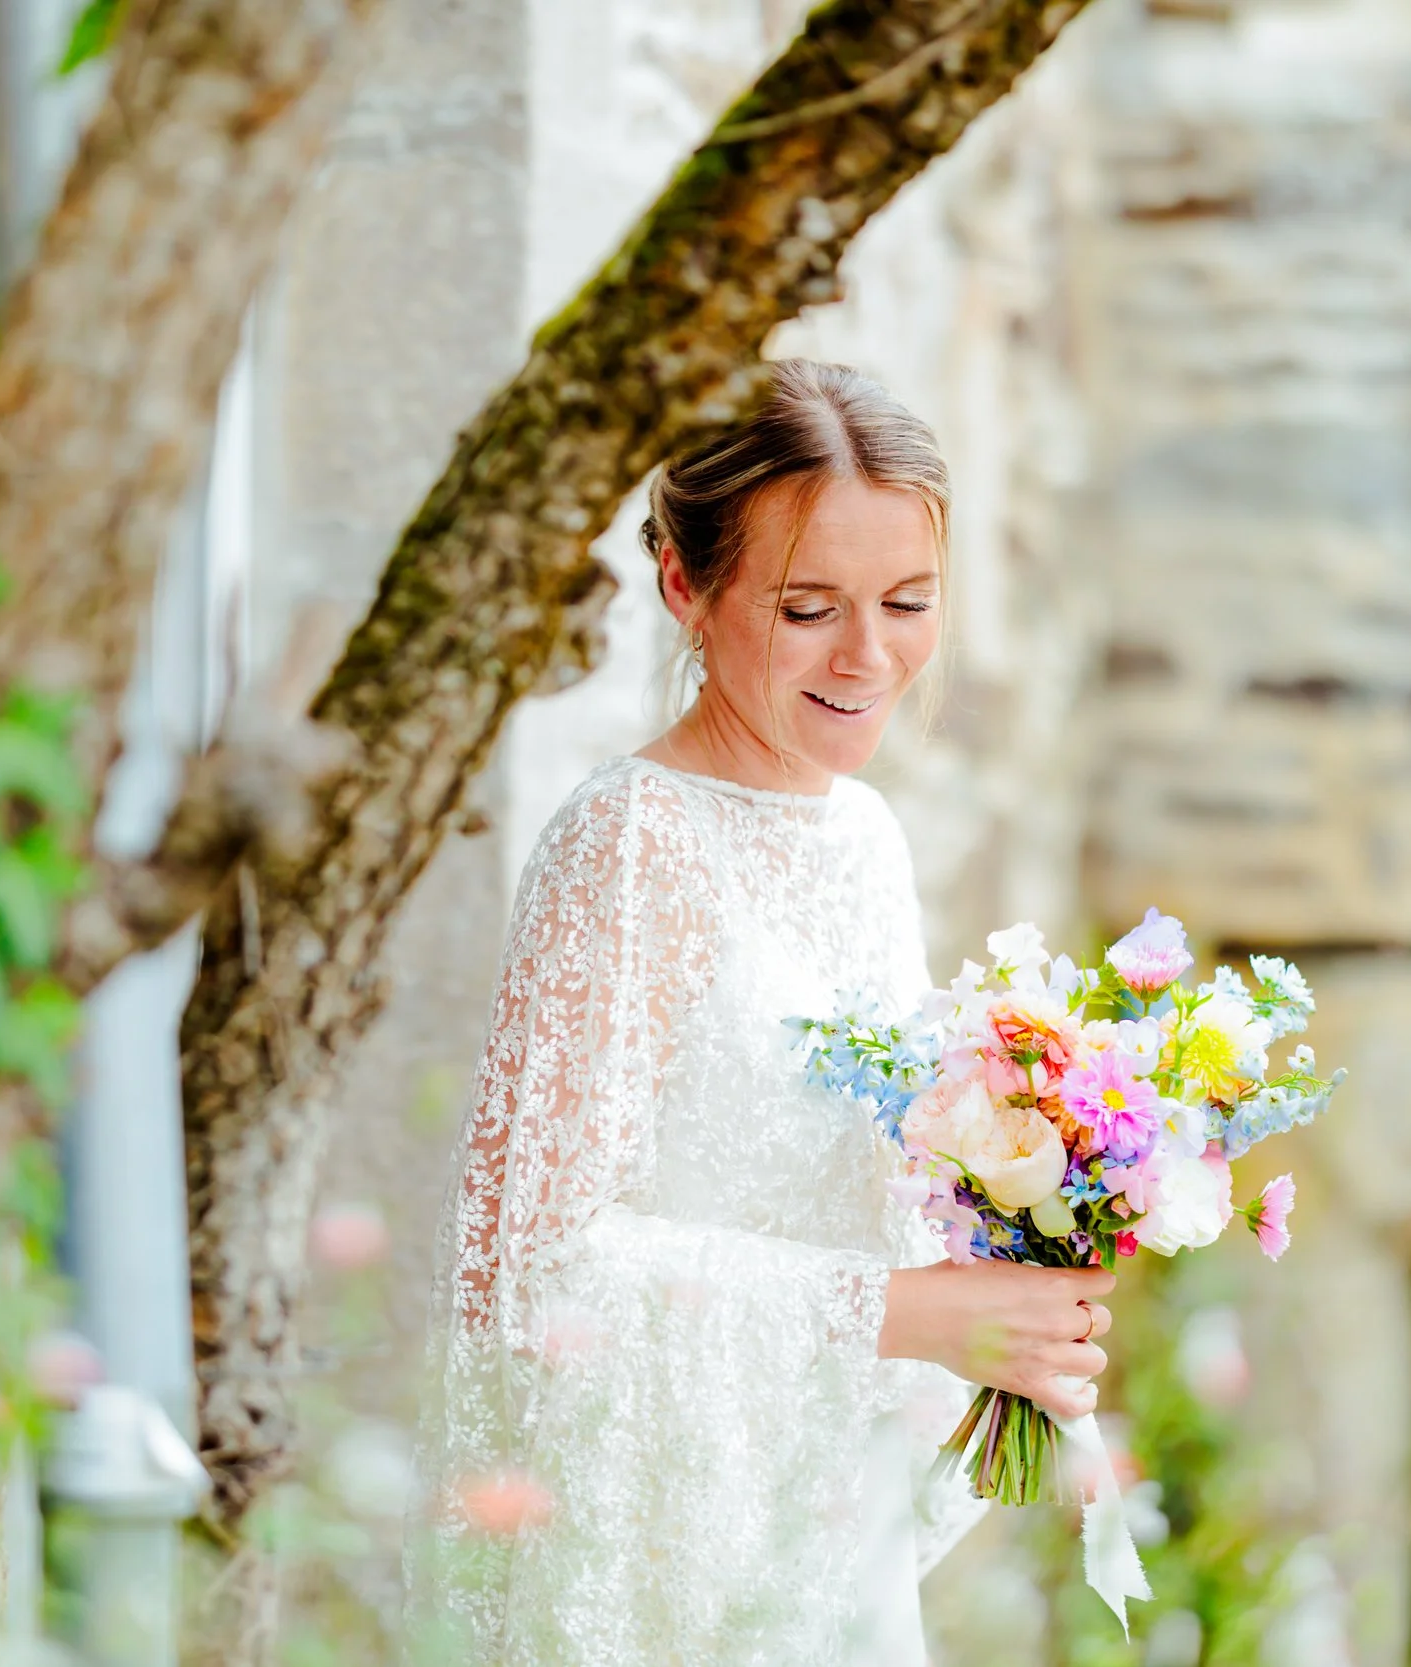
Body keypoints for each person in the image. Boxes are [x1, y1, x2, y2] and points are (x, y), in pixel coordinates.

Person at [404, 360, 1116, 1664]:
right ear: (686, 583)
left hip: (821, 1532)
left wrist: (1027, 1262)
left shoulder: (868, 841)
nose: (869, 656)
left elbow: (861, 1200)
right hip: (660, 1556)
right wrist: (900, 1312)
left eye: (908, 602)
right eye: (806, 608)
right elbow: (537, 1268)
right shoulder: (625, 843)